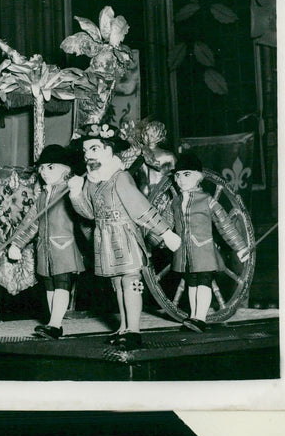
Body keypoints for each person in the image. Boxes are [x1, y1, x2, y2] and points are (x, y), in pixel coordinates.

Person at [67, 123, 182, 349]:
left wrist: (165, 231)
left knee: (130, 283)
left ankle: (134, 330)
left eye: (93, 149)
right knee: (117, 284)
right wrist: (76, 193)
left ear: (109, 151)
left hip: (124, 236)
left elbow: (139, 207)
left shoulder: (120, 178)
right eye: (85, 151)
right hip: (105, 239)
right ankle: (123, 328)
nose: (87, 156)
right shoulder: (93, 182)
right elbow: (89, 213)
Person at [162, 151, 250, 332]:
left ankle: (200, 318)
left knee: (203, 283)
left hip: (203, 252)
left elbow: (225, 224)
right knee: (191, 283)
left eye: (186, 175)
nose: (180, 180)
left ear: (198, 177)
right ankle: (193, 317)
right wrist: (155, 240)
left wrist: (240, 247)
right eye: (178, 175)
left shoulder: (207, 201)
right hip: (184, 253)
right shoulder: (175, 203)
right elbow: (163, 226)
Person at [7, 144, 85, 339]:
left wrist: (77, 191)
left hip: (64, 248)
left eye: (50, 167)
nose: (44, 172)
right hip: (45, 249)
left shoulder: (70, 191)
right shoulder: (42, 196)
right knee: (49, 286)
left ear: (66, 169)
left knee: (61, 284)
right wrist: (17, 243)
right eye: (41, 168)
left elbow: (85, 213)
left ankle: (55, 324)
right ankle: (53, 323)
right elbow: (30, 224)